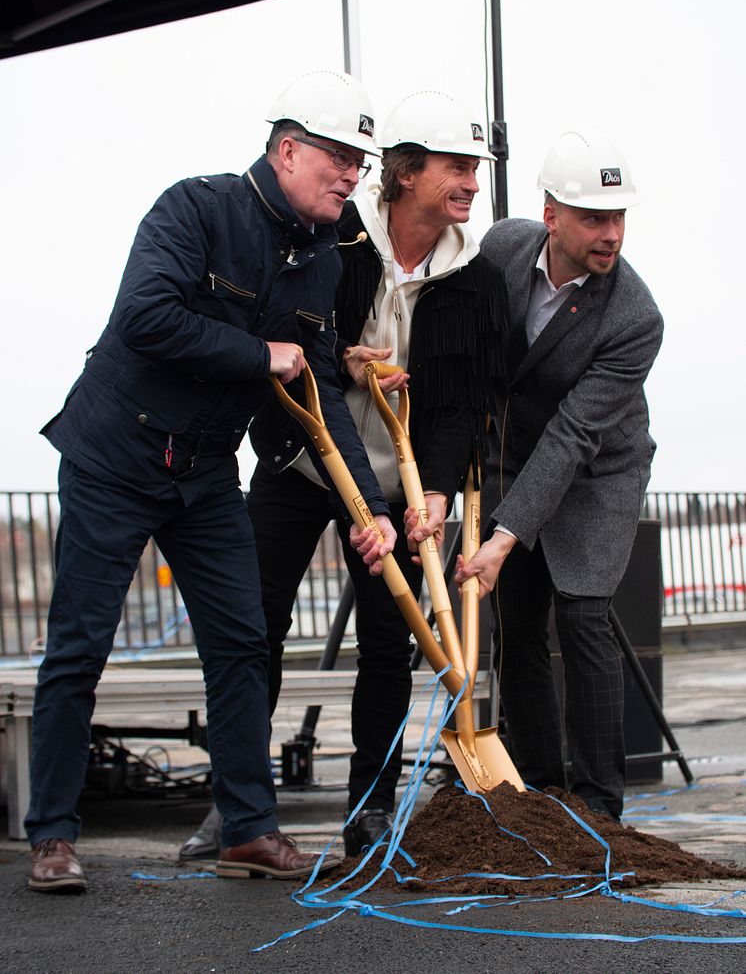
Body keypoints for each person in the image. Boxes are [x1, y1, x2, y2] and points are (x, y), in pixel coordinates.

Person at [25, 69, 395, 892]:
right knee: (78, 648)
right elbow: (145, 318)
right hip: (114, 455)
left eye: (359, 163)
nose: (351, 174)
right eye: (338, 155)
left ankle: (248, 829)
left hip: (204, 474)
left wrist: (368, 508)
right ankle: (51, 835)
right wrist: (260, 354)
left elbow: (321, 389)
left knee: (239, 644)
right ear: (287, 148)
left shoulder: (326, 264)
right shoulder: (194, 208)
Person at [179, 90, 508, 861]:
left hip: (398, 488)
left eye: (474, 169)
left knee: (387, 644)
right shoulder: (335, 239)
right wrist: (344, 361)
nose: (470, 183)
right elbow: (292, 339)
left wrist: (431, 492)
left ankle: (370, 807)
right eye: (456, 167)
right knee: (251, 625)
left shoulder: (476, 279)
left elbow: (466, 401)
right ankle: (237, 806)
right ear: (404, 172)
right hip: (301, 461)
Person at [454, 129, 664, 821]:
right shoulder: (504, 247)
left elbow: (575, 434)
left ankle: (600, 806)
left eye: (620, 217)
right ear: (551, 217)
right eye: (595, 218)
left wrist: (504, 534)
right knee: (516, 616)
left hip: (599, 465)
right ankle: (540, 792)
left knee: (580, 613)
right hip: (520, 450)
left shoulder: (635, 316)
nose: (612, 233)